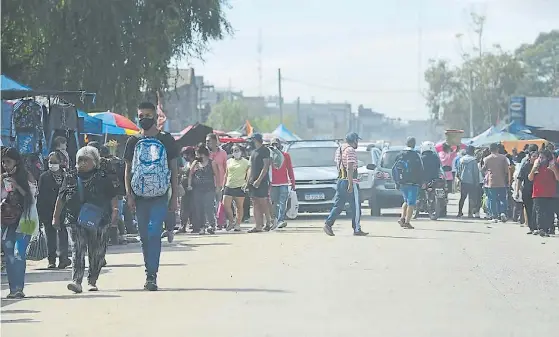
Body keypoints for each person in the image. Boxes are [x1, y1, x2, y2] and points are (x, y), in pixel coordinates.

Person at [124, 102, 179, 291]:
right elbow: (127, 170)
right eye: (141, 115)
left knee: (155, 233)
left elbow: (174, 169)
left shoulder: (167, 140)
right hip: (139, 196)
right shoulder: (133, 141)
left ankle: (152, 275)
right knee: (144, 236)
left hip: (160, 195)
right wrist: (129, 195)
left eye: (148, 115)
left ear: (155, 116)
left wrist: (174, 197)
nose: (144, 118)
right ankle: (149, 271)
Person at [52, 146, 118, 293]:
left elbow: (113, 197)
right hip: (74, 219)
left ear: (95, 161)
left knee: (97, 251)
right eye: (80, 160)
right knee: (77, 249)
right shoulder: (70, 177)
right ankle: (77, 281)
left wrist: (115, 212)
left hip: (99, 220)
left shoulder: (103, 177)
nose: (82, 163)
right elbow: (61, 198)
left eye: (86, 160)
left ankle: (92, 280)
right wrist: (55, 217)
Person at [1, 147, 37, 299]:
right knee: (8, 254)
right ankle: (12, 289)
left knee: (19, 254)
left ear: (16, 161)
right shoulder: (2, 177)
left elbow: (33, 197)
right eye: (3, 162)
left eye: (8, 161)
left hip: (26, 219)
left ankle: (19, 288)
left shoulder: (26, 176)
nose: (5, 165)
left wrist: (17, 186)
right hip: (7, 221)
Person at [323, 132, 368, 236]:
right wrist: (351, 183)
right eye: (357, 141)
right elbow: (350, 167)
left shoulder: (339, 149)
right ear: (354, 140)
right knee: (356, 207)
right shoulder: (350, 150)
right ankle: (356, 229)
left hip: (340, 180)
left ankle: (328, 224)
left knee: (338, 205)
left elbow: (338, 165)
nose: (358, 143)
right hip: (350, 181)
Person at [37, 152, 71, 269]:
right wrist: (40, 212)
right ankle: (51, 260)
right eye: (51, 162)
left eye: (55, 162)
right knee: (50, 235)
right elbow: (40, 195)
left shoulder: (66, 175)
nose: (52, 165)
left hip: (63, 210)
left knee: (63, 234)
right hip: (47, 210)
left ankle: (63, 258)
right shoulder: (44, 176)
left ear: (61, 162)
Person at [188, 145, 219, 234]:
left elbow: (217, 175)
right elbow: (190, 174)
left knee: (209, 207)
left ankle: (211, 225)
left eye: (198, 154)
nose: (196, 156)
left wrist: (218, 187)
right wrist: (190, 185)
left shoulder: (212, 163)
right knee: (199, 208)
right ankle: (202, 226)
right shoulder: (195, 163)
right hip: (197, 189)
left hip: (209, 188)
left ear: (203, 154)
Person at [528, 149, 559, 237]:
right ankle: (541, 229)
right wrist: (534, 169)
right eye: (539, 157)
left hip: (550, 193)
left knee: (549, 212)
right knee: (540, 212)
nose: (540, 159)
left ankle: (548, 229)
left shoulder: (553, 165)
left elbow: (557, 178)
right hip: (538, 192)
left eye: (542, 157)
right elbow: (530, 178)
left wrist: (553, 169)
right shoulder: (536, 166)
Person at [395, 137, 424, 229]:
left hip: (402, 182)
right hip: (413, 183)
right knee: (411, 203)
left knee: (406, 201)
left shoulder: (400, 154)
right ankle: (407, 222)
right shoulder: (416, 155)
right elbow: (420, 169)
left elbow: (395, 168)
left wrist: (397, 181)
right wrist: (421, 182)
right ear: (414, 144)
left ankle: (402, 218)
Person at [247, 133, 272, 233]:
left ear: (257, 140)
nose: (252, 142)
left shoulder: (264, 151)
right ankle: (258, 225)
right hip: (252, 181)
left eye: (253, 140)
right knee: (255, 203)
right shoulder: (253, 152)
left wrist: (259, 180)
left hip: (262, 181)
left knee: (263, 202)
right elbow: (251, 168)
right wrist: (248, 181)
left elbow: (265, 167)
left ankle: (269, 222)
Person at [270, 138, 295, 229]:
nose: (275, 146)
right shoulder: (269, 156)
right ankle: (275, 219)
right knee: (273, 202)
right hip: (272, 184)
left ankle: (281, 220)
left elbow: (290, 169)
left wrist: (293, 182)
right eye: (273, 144)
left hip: (283, 183)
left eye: (276, 144)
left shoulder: (286, 155)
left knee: (282, 202)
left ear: (280, 145)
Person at [223, 145, 250, 231]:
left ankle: (238, 224)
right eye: (234, 151)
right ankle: (231, 222)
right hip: (229, 185)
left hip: (240, 186)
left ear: (241, 151)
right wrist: (223, 185)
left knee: (239, 206)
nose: (236, 152)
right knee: (226, 205)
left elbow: (248, 173)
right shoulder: (229, 161)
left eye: (237, 150)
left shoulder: (246, 162)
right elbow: (226, 174)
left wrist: (246, 183)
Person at [482, 143, 510, 223]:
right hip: (502, 181)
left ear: (490, 150)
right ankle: (502, 212)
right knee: (502, 198)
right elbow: (506, 170)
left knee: (492, 199)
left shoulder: (487, 159)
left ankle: (494, 216)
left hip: (491, 182)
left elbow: (483, 169)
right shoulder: (503, 158)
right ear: (497, 149)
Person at [457, 145, 482, 218]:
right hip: (472, 182)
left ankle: (460, 212)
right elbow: (475, 172)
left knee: (462, 197)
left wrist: (460, 179)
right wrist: (477, 182)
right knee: (471, 198)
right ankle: (470, 213)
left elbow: (458, 171)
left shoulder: (461, 159)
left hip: (463, 181)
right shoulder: (473, 160)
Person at [516, 151, 538, 233]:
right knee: (529, 209)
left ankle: (536, 227)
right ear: (529, 157)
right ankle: (531, 227)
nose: (536, 158)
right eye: (534, 156)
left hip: (537, 191)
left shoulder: (540, 166)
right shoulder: (525, 166)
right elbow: (519, 179)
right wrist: (517, 191)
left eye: (537, 156)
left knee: (536, 209)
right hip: (527, 190)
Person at [206, 133, 227, 205]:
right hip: (208, 183)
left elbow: (226, 168)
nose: (207, 143)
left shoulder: (223, 153)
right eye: (206, 141)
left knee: (220, 204)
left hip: (220, 183)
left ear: (215, 141)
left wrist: (225, 182)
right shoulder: (205, 153)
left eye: (209, 141)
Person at [179, 147, 196, 233]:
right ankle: (183, 225)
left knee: (193, 207)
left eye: (186, 154)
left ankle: (194, 224)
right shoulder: (187, 164)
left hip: (192, 189)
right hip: (184, 189)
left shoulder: (195, 164)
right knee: (183, 208)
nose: (184, 156)